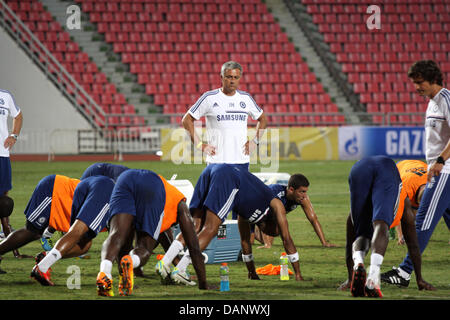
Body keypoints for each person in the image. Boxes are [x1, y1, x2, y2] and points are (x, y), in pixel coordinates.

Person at [156, 164, 303, 285]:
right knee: (211, 229)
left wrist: (252, 272)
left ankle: (165, 262)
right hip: (229, 178)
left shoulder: (246, 216)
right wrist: (298, 273)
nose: (270, 235)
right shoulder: (276, 204)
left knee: (195, 225)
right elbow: (287, 239)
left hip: (213, 170)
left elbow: (245, 243)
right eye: (273, 232)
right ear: (271, 224)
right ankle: (181, 269)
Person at [380, 60, 450, 288]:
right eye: (414, 83)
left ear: (433, 80)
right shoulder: (431, 103)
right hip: (437, 167)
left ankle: (404, 272)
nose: (416, 87)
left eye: (419, 83)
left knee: (423, 221)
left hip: (445, 170)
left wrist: (440, 160)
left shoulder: (446, 99)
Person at [96, 169, 207, 297]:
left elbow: (164, 237)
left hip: (126, 177)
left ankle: (105, 272)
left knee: (117, 235)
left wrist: (135, 273)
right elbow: (194, 248)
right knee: (144, 248)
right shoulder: (182, 206)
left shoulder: (170, 195)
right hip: (153, 184)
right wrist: (203, 283)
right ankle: (132, 261)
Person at [339, 155, 435, 298]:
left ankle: (358, 263)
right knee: (381, 224)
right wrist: (419, 279)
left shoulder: (426, 180)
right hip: (387, 169)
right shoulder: (406, 199)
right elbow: (413, 244)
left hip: (360, 166)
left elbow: (349, 239)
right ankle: (373, 276)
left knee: (361, 233)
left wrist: (350, 278)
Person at [181, 60, 267, 170]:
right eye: (229, 77)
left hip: (242, 160)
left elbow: (263, 119)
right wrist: (199, 145)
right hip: (217, 161)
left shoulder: (246, 98)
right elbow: (186, 120)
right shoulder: (209, 98)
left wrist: (255, 141)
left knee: (241, 188)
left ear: (240, 78)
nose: (232, 81)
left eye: (236, 77)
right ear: (221, 77)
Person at [30, 175, 114, 286]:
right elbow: (119, 239)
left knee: (84, 245)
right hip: (105, 188)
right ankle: (42, 267)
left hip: (84, 185)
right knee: (77, 232)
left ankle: (46, 257)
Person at [0, 174, 79, 271]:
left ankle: (46, 249)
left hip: (61, 192)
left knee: (36, 233)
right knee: (32, 231)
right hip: (53, 189)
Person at [254, 173, 337, 249]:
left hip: (266, 217)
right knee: (276, 227)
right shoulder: (275, 194)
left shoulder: (303, 198)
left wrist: (324, 243)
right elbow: (265, 216)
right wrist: (267, 244)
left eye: (305, 192)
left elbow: (313, 219)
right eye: (302, 192)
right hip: (253, 211)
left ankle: (255, 230)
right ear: (291, 190)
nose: (304, 195)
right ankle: (253, 227)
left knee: (275, 230)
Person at [0, 88, 23, 259]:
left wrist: (13, 135)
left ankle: (7, 239)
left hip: (2, 154)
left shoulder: (5, 96)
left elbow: (18, 115)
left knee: (4, 201)